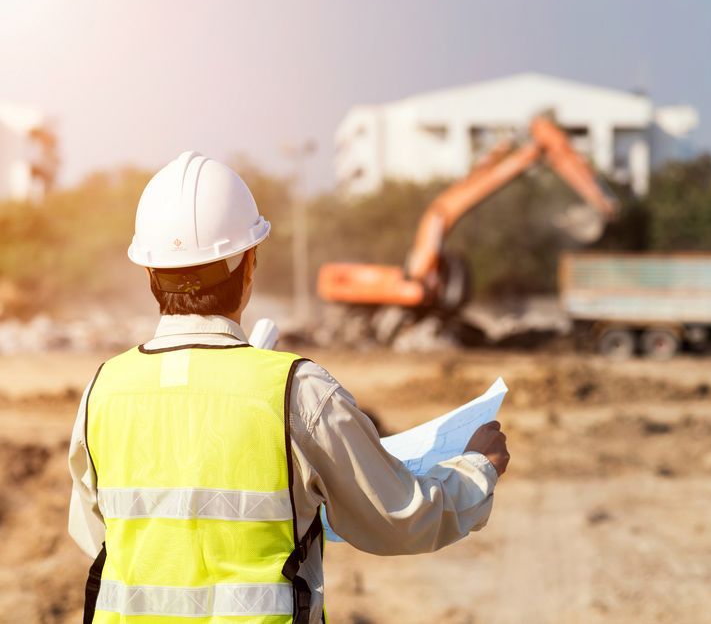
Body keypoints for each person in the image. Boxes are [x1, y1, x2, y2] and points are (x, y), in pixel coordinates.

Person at [68, 151, 510, 623]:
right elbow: (399, 519)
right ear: (250, 264)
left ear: (150, 272)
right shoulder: (298, 392)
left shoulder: (103, 390)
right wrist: (478, 469)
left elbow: (94, 533)